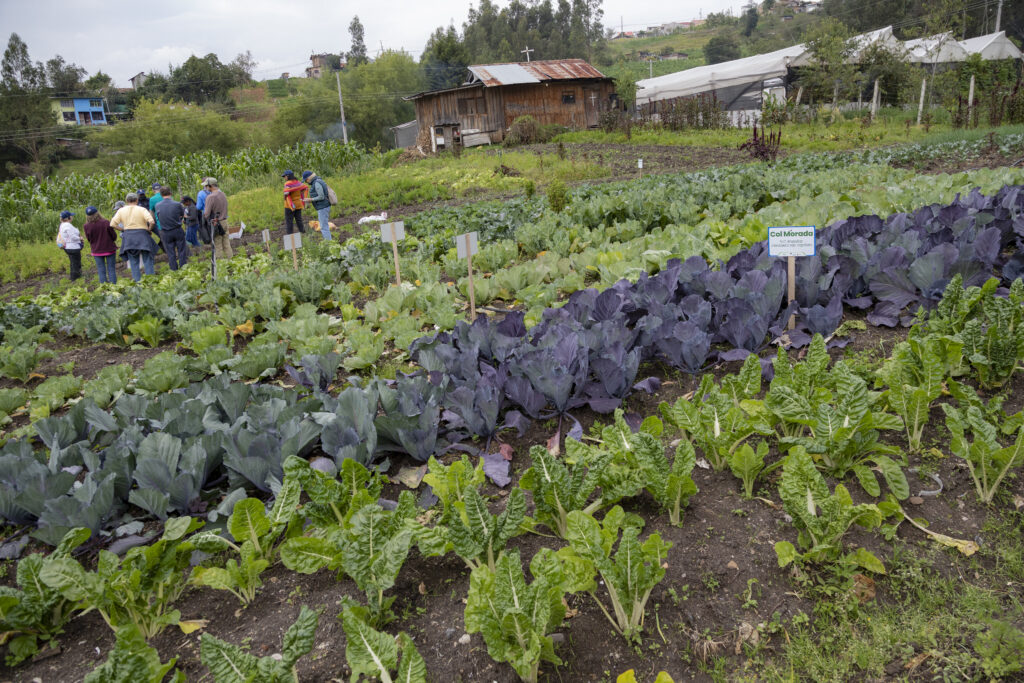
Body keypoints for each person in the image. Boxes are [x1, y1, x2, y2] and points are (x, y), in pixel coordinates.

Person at [110, 192, 157, 281]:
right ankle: (151, 281)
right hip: (142, 236)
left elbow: (112, 224)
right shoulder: (142, 209)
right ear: (137, 200)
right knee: (147, 259)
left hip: (129, 237)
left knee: (133, 261)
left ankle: (137, 282)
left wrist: (123, 230)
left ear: (127, 201)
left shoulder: (121, 210)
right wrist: (149, 230)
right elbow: (152, 221)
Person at [154, 187, 189, 270]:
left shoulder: (157, 205)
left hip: (165, 231)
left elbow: (158, 216)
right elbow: (182, 214)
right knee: (181, 250)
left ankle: (174, 269)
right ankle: (183, 267)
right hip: (177, 229)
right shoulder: (177, 204)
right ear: (171, 193)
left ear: (161, 194)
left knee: (170, 252)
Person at [82, 206, 118, 284]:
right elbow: (113, 236)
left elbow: (89, 239)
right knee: (111, 269)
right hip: (109, 249)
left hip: (96, 250)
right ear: (97, 213)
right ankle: (114, 287)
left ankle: (104, 288)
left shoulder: (86, 226)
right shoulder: (105, 222)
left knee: (101, 270)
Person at [203, 178, 232, 260]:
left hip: (217, 223)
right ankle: (230, 259)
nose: (205, 187)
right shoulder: (223, 194)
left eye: (206, 185)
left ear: (210, 186)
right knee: (226, 243)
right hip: (225, 220)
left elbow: (206, 213)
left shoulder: (210, 197)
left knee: (218, 244)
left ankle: (220, 263)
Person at [302, 170, 332, 240]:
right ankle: (329, 242)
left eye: (306, 180)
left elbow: (321, 196)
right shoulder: (318, 181)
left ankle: (329, 244)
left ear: (308, 178)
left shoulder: (316, 183)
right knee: (324, 226)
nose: (306, 182)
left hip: (323, 207)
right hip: (323, 206)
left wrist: (310, 199)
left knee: (324, 227)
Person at [55, 210, 82, 281]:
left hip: (67, 247)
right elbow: (72, 237)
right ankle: (75, 278)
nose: (72, 217)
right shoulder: (68, 226)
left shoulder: (62, 225)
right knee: (76, 263)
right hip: (73, 247)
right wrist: (80, 238)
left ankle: (74, 276)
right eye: (71, 216)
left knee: (73, 262)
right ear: (68, 218)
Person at [281, 170, 308, 235]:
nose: (284, 178)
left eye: (285, 176)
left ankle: (290, 234)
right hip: (298, 204)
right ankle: (303, 232)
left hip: (290, 205)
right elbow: (304, 188)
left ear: (288, 176)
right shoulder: (298, 182)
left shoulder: (287, 184)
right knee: (299, 219)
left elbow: (286, 193)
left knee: (289, 221)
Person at [148, 182, 166, 254]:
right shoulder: (166, 196)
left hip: (160, 223)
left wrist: (151, 225)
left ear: (153, 190)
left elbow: (151, 214)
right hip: (171, 221)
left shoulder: (152, 199)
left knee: (164, 239)